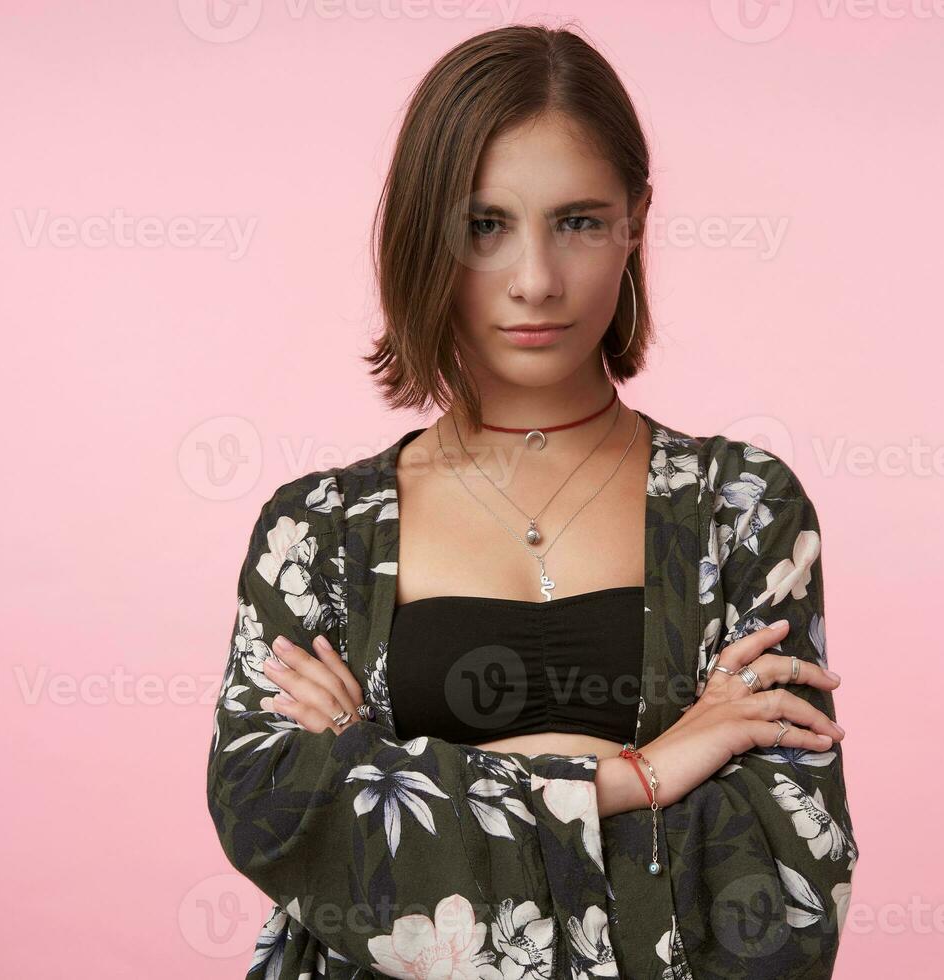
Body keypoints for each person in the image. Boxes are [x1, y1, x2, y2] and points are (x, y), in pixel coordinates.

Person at [206, 24, 857, 980]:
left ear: (637, 218)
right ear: (425, 233)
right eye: (484, 225)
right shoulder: (316, 532)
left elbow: (786, 884)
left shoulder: (744, 510)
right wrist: (641, 773)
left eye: (579, 221)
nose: (535, 280)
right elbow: (276, 818)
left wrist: (383, 767)